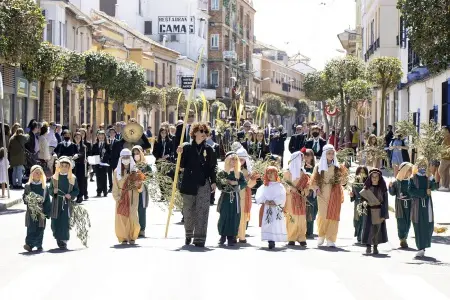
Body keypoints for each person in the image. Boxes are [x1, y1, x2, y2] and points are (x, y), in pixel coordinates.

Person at [176, 122, 217, 247]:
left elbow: (213, 167)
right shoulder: (187, 147)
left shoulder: (209, 149)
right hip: (189, 183)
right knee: (188, 212)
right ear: (194, 133)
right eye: (201, 131)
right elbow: (181, 165)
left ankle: (200, 239)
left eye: (206, 132)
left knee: (202, 211)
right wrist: (179, 153)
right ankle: (189, 235)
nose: (204, 134)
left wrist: (214, 181)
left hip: (203, 184)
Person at [310, 144, 347, 247]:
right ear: (324, 154)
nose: (331, 155)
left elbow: (344, 182)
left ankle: (331, 238)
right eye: (329, 153)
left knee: (333, 216)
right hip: (322, 194)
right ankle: (321, 235)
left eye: (332, 153)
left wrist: (343, 175)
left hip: (334, 194)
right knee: (323, 215)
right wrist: (316, 188)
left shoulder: (338, 167)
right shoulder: (318, 167)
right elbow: (313, 181)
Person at [113, 148, 144, 245]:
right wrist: (117, 198)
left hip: (133, 197)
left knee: (133, 217)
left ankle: (132, 236)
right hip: (121, 197)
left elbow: (140, 188)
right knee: (122, 217)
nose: (125, 159)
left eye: (127, 157)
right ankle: (123, 237)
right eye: (124, 157)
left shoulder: (136, 171)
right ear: (121, 159)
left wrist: (138, 184)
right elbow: (115, 186)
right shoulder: (116, 172)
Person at [408, 157, 437, 258]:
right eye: (420, 165)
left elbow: (435, 186)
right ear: (417, 166)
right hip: (417, 205)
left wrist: (433, 182)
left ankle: (425, 244)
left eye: (424, 165)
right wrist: (424, 192)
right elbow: (411, 191)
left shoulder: (428, 176)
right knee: (418, 225)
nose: (422, 167)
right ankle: (420, 247)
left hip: (427, 204)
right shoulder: (413, 178)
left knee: (428, 225)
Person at [216, 152, 247, 246]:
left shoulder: (239, 173)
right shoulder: (223, 173)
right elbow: (219, 183)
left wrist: (236, 184)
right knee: (224, 216)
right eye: (231, 159)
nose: (233, 161)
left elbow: (244, 183)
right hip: (225, 197)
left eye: (235, 159)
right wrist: (224, 183)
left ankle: (231, 237)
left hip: (235, 198)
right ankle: (223, 236)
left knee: (234, 216)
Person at [49, 156, 80, 250]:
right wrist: (53, 192)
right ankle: (58, 237)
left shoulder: (72, 178)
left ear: (69, 167)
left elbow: (76, 190)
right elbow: (50, 190)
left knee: (64, 222)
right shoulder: (54, 178)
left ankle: (64, 240)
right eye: (62, 165)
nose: (64, 167)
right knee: (55, 221)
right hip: (56, 203)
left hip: (66, 203)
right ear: (59, 166)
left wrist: (71, 195)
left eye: (66, 166)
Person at [255, 166, 287, 249]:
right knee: (268, 223)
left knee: (275, 224)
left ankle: (274, 238)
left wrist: (275, 201)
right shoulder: (265, 185)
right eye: (268, 173)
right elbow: (259, 194)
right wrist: (265, 200)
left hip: (275, 209)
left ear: (276, 174)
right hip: (267, 208)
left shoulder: (280, 186)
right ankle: (270, 240)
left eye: (272, 173)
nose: (270, 175)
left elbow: (282, 196)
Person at [360, 168, 389, 255]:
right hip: (369, 211)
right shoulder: (366, 189)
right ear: (370, 178)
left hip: (379, 211)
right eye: (373, 177)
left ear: (379, 178)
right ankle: (368, 246)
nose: (375, 178)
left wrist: (384, 215)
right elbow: (362, 200)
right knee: (368, 229)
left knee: (377, 229)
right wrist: (364, 205)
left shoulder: (382, 189)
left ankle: (375, 246)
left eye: (376, 177)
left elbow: (385, 202)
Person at [22, 165, 51, 252]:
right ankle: (29, 244)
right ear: (32, 174)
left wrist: (47, 212)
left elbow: (47, 201)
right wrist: (28, 199)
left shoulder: (44, 187)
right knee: (31, 228)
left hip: (41, 211)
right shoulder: (28, 186)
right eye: (36, 173)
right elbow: (25, 198)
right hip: (31, 211)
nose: (38, 174)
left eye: (40, 173)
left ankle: (39, 244)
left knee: (40, 228)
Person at [284, 151, 310, 247]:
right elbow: (284, 185)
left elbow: (307, 185)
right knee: (292, 217)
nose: (303, 161)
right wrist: (291, 189)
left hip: (301, 198)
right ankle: (291, 237)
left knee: (301, 218)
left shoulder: (303, 173)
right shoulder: (287, 172)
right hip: (291, 198)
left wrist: (303, 191)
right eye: (301, 159)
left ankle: (301, 237)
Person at [388, 162, 413, 249]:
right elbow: (392, 193)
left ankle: (405, 236)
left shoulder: (412, 181)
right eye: (408, 170)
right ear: (404, 170)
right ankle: (402, 239)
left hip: (410, 204)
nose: (410, 171)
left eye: (410, 170)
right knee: (401, 221)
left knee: (408, 222)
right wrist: (390, 187)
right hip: (400, 204)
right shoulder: (397, 182)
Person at [236, 146, 256, 243]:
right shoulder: (232, 169)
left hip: (244, 196)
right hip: (234, 194)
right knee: (234, 214)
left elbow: (250, 185)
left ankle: (241, 235)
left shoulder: (247, 171)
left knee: (243, 216)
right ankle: (233, 234)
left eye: (243, 160)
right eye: (239, 159)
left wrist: (252, 178)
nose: (241, 161)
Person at [132, 145, 151, 238]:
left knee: (141, 209)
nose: (136, 155)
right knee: (132, 209)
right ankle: (134, 228)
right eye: (134, 153)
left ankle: (142, 229)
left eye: (137, 153)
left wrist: (143, 179)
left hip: (143, 190)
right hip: (132, 190)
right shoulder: (131, 165)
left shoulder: (145, 165)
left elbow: (150, 176)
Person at [350, 166, 368, 244]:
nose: (361, 174)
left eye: (363, 172)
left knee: (363, 220)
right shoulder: (354, 183)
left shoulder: (368, 182)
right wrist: (351, 195)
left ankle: (362, 237)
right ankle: (358, 235)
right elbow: (353, 196)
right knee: (357, 220)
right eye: (360, 172)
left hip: (365, 204)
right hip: (357, 204)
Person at [91, 130, 111, 197]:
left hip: (104, 163)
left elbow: (110, 154)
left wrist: (105, 155)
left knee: (104, 177)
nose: (101, 137)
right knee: (98, 177)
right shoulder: (95, 145)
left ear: (104, 137)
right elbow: (92, 154)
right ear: (98, 136)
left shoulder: (107, 145)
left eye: (102, 136)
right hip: (97, 163)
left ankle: (105, 191)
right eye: (100, 136)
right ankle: (99, 191)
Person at [73, 132, 87, 203]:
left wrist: (77, 155)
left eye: (79, 137)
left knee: (81, 181)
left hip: (81, 165)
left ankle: (80, 196)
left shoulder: (83, 146)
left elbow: (82, 154)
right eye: (76, 137)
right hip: (73, 165)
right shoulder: (72, 145)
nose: (78, 139)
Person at [438, 126, 450, 191]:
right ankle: (445, 186)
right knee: (446, 172)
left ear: (447, 130)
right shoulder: (445, 137)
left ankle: (444, 185)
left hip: (446, 158)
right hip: (445, 157)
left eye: (443, 130)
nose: (442, 131)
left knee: (440, 170)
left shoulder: (448, 137)